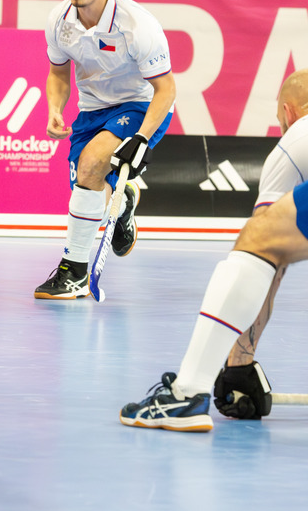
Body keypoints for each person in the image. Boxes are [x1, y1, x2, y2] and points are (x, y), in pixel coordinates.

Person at [120, 68, 308, 432]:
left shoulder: (300, 134)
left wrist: (239, 362)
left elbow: (270, 247)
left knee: (259, 238)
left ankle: (186, 395)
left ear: (288, 112)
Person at [34, 0, 176, 300]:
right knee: (87, 188)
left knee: (91, 164)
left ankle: (74, 272)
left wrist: (142, 140)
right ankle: (124, 199)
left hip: (140, 105)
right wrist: (54, 107)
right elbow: (58, 73)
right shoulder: (59, 20)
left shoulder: (137, 26)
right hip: (91, 110)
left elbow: (166, 90)